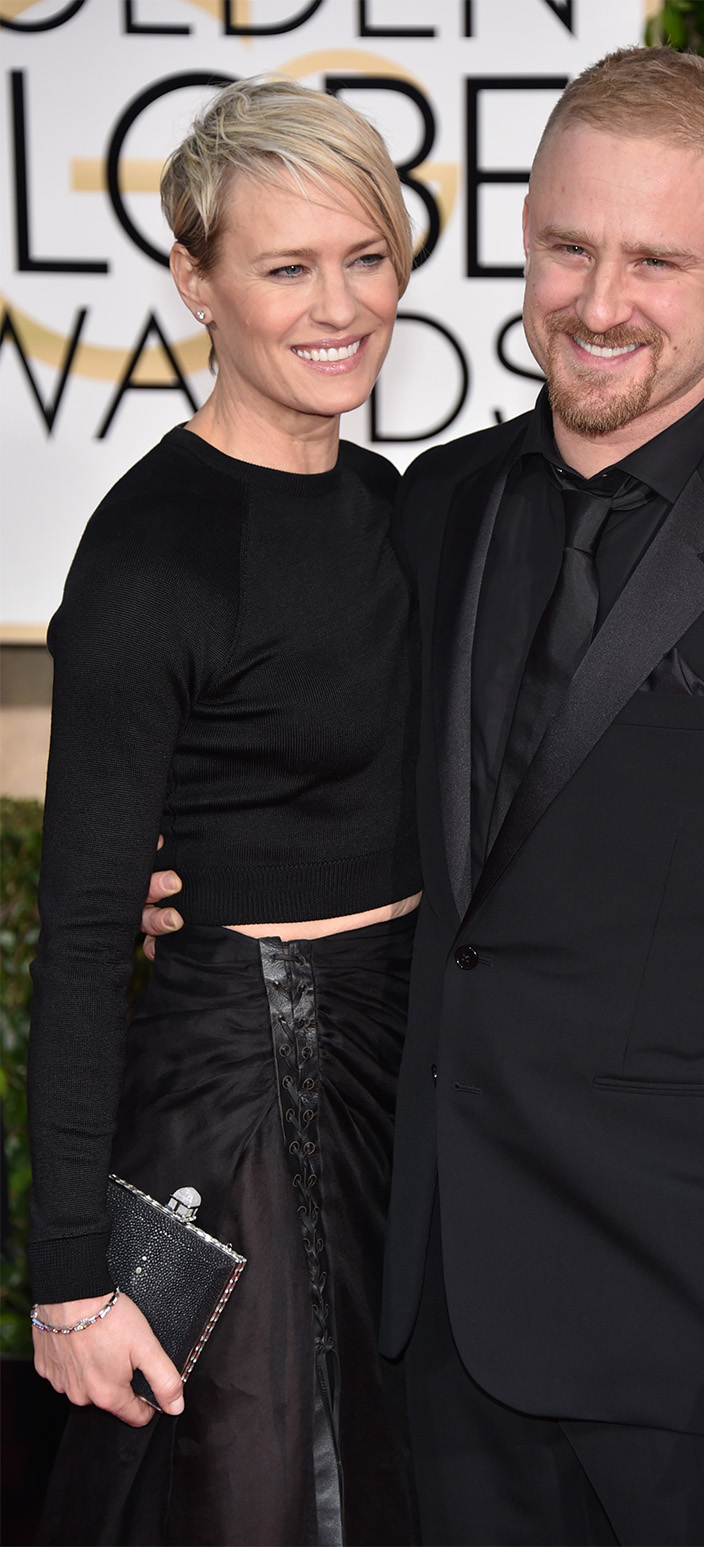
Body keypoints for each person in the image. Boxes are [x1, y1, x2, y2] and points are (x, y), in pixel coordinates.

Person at [143, 45, 704, 1547]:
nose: (599, 304)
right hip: (443, 1329)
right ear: (524, 232)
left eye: (658, 260)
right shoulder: (434, 507)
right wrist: (182, 864)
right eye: (570, 247)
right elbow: (340, 786)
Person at [27, 77, 419, 1547]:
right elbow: (77, 940)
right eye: (285, 266)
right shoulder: (149, 561)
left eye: (366, 255)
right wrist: (69, 1278)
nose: (340, 305)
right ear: (196, 280)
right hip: (234, 1088)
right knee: (247, 1501)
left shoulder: (399, 510)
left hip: (405, 1079)